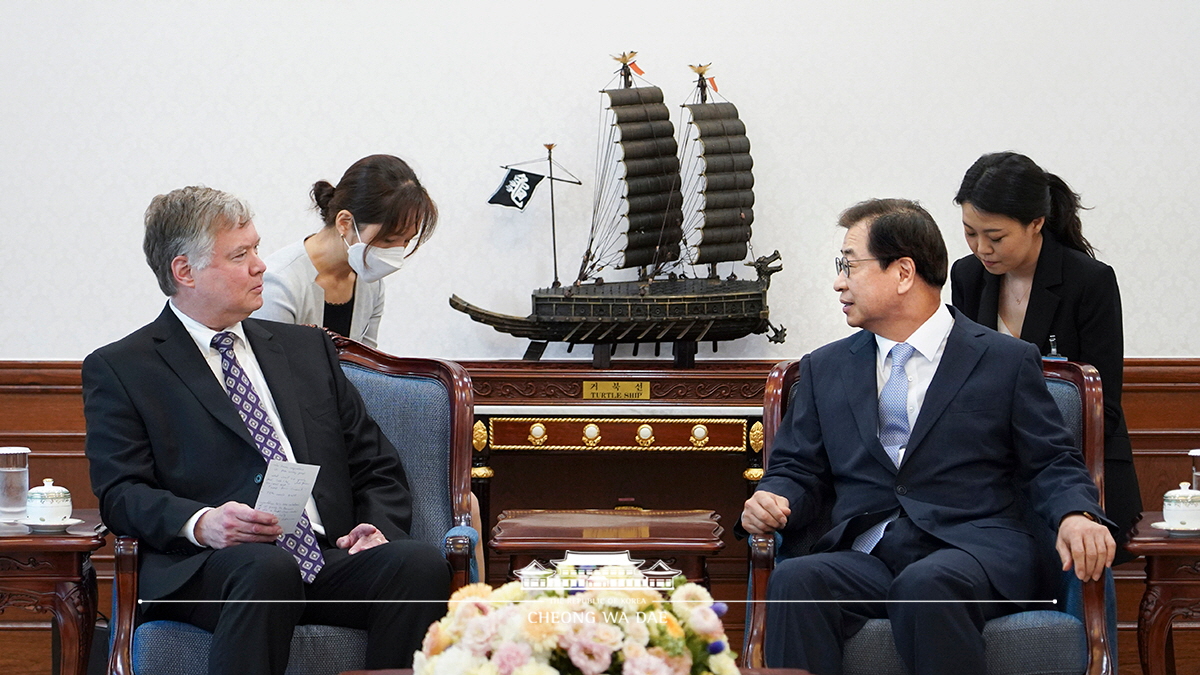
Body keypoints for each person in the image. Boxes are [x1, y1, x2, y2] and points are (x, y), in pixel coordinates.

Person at [83, 186, 450, 675]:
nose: (260, 265)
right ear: (184, 271)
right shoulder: (123, 367)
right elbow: (121, 492)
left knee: (417, 565)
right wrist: (203, 523)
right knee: (264, 567)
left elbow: (375, 462)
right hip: (209, 569)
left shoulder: (306, 350)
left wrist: (376, 526)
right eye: (240, 255)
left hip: (322, 557)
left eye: (256, 248)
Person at [740, 199, 1115, 675]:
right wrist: (772, 496)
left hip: (973, 553)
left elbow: (1051, 462)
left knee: (927, 584)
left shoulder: (1004, 360)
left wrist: (1077, 514)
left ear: (902, 273)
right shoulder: (824, 368)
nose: (838, 281)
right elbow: (797, 468)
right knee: (796, 579)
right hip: (870, 556)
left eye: (848, 265)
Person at [951, 151, 1142, 561]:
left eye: (996, 236)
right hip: (994, 476)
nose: (982, 248)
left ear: (1036, 223)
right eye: (970, 233)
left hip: (1079, 469)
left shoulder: (1088, 281)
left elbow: (1103, 407)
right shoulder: (966, 276)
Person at [253, 153, 437, 348]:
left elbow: (368, 365)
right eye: (388, 239)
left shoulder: (371, 283)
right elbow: (274, 370)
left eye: (407, 240)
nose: (397, 251)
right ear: (345, 223)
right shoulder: (279, 283)